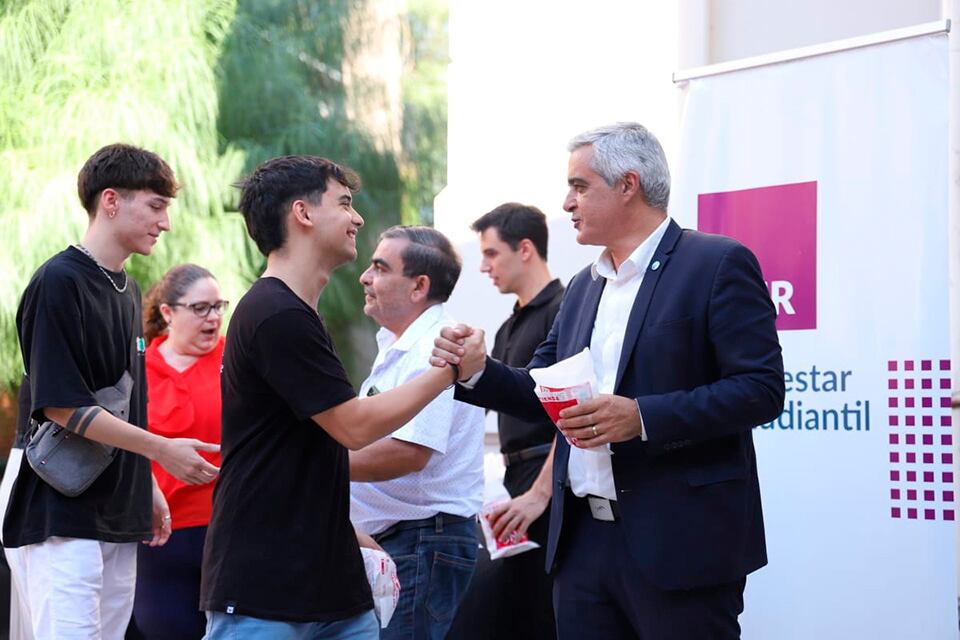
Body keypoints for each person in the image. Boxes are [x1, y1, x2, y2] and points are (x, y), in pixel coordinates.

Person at [433, 123, 785, 639]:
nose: (567, 203)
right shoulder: (582, 287)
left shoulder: (716, 263)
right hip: (582, 548)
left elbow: (761, 389)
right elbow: (539, 388)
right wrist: (477, 369)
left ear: (628, 185)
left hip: (680, 544)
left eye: (579, 186)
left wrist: (641, 417)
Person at [199, 156, 464, 639]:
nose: (356, 218)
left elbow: (310, 452)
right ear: (302, 213)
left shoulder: (294, 314)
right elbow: (354, 427)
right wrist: (449, 372)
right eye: (343, 203)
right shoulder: (275, 313)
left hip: (331, 585)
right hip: (267, 587)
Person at [4, 143, 221, 640]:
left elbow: (128, 403)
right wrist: (162, 451)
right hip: (63, 513)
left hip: (120, 515)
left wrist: (146, 484)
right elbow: (62, 406)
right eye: (156, 206)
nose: (165, 223)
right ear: (110, 201)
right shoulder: (58, 281)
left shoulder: (127, 289)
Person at [350, 226, 484, 640]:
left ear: (419, 286)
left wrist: (312, 466)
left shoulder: (435, 345)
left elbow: (409, 452)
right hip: (407, 541)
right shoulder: (402, 343)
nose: (365, 277)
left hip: (420, 542)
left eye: (379, 268)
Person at [447, 203, 562, 640]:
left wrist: (540, 492)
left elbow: (573, 415)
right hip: (514, 483)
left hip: (551, 484)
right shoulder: (508, 326)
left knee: (544, 613)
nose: (484, 267)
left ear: (525, 249)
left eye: (492, 253)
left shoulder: (564, 312)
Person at [130, 264, 227, 640]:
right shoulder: (138, 368)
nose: (213, 317)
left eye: (218, 306)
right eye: (201, 308)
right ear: (168, 312)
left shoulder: (236, 358)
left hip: (230, 532)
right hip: (159, 538)